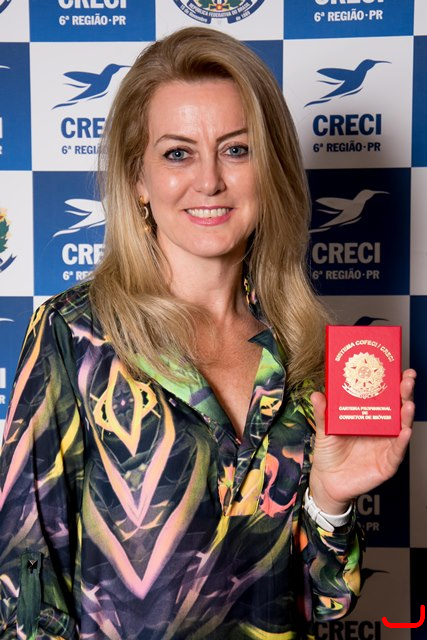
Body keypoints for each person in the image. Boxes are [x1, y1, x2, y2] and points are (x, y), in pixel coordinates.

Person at [0, 27, 415, 640]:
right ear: (138, 179)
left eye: (237, 149)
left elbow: (325, 603)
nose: (211, 180)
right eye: (178, 153)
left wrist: (331, 500)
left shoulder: (305, 349)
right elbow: (23, 589)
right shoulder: (77, 335)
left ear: (269, 168)